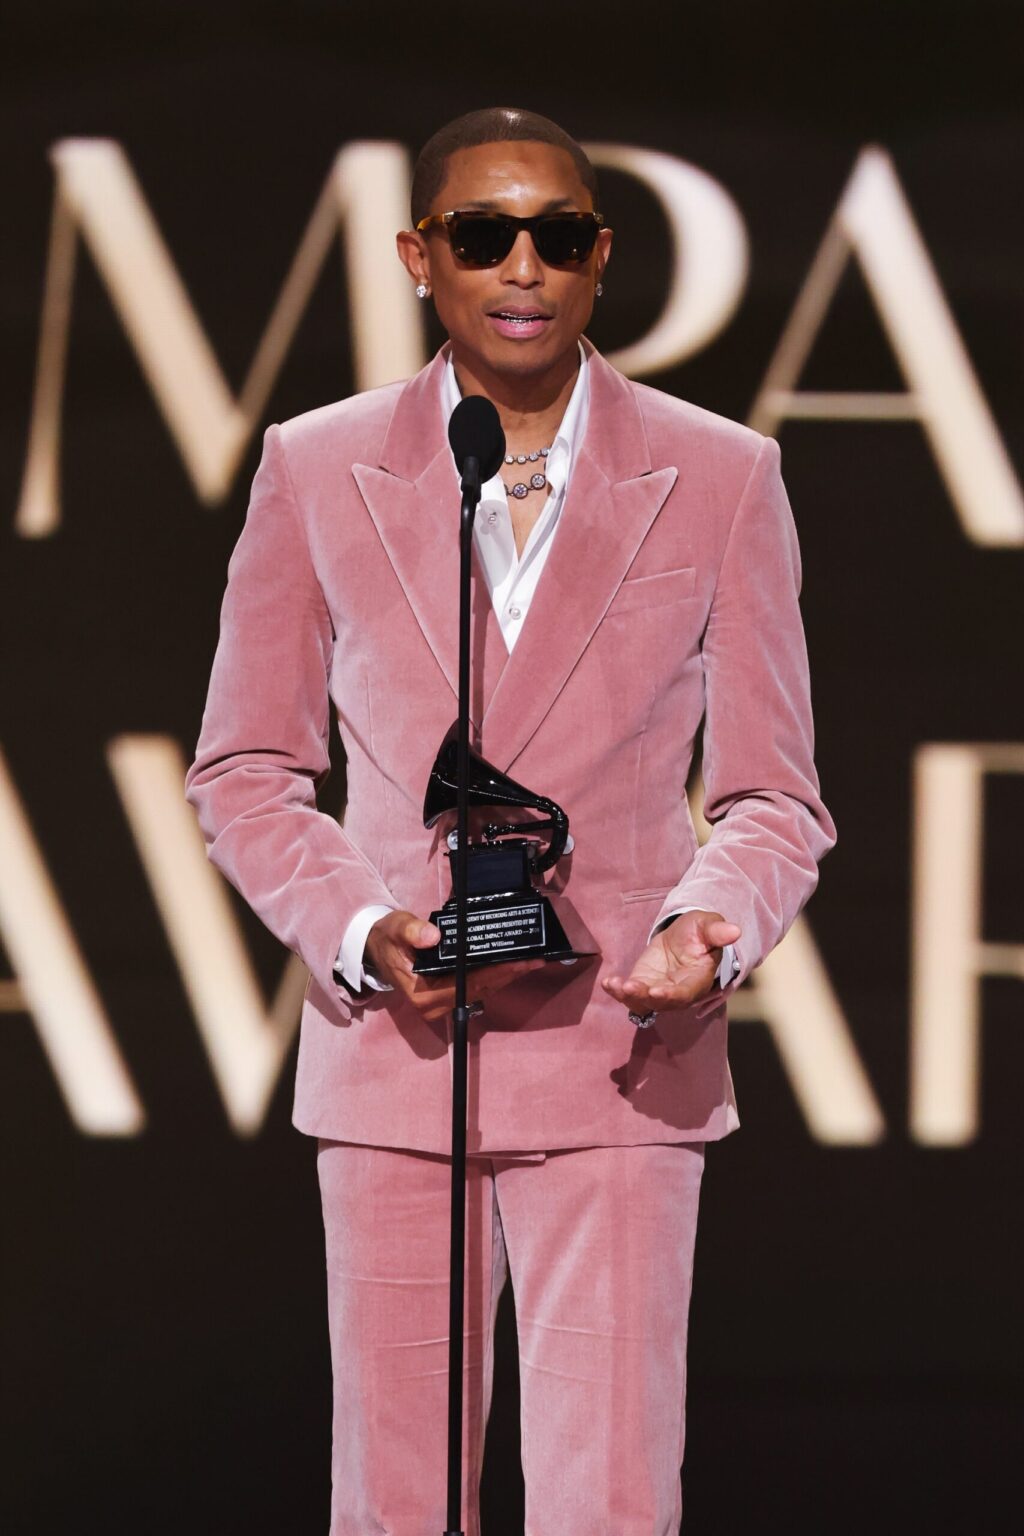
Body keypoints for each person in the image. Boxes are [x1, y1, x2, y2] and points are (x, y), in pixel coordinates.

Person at [185, 106, 836, 1536]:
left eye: (558, 235)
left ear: (600, 257)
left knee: (609, 1504)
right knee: (395, 1506)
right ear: (422, 256)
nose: (522, 264)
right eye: (485, 235)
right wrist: (360, 927)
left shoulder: (724, 475)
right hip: (399, 1055)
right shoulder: (316, 465)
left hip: (621, 1050)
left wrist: (708, 928)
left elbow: (775, 793)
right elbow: (243, 766)